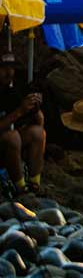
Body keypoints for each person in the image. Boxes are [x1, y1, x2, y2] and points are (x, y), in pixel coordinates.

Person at [0, 53, 45, 193]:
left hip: (7, 146)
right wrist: (19, 111)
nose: (9, 73)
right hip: (5, 141)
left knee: (37, 133)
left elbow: (39, 123)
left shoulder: (11, 91)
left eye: (11, 68)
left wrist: (35, 108)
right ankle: (20, 188)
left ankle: (34, 184)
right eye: (3, 69)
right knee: (12, 137)